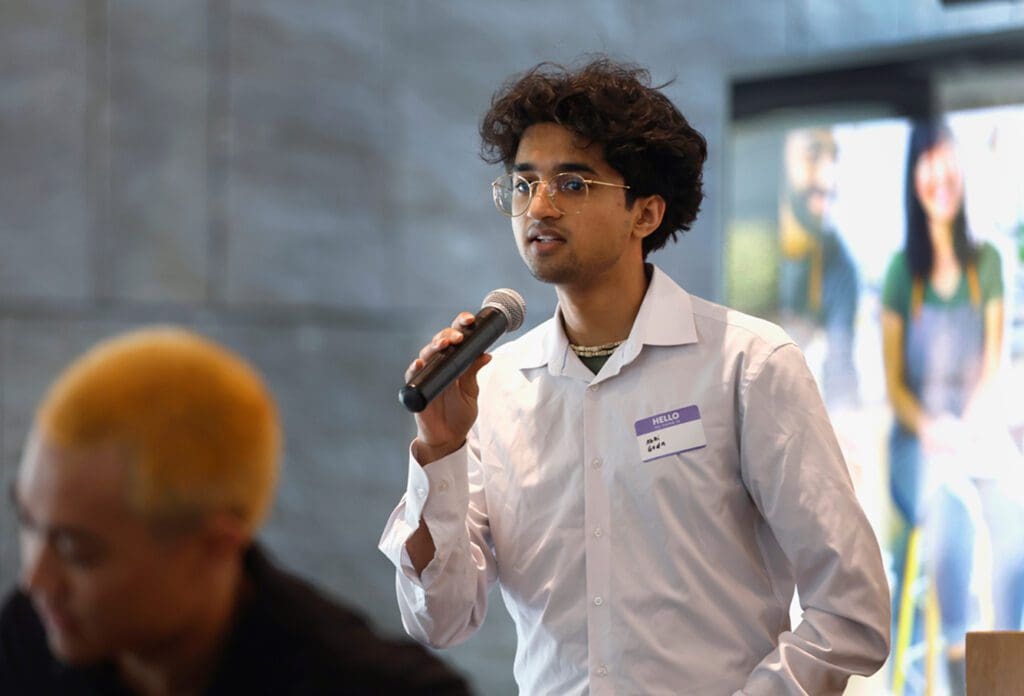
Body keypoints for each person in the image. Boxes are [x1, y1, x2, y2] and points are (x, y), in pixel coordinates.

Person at [379, 58, 890, 695]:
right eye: (523, 183)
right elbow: (441, 618)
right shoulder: (494, 387)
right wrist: (438, 449)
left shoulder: (747, 363)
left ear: (645, 214)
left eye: (572, 184)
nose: (538, 205)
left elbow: (850, 611)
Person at [1, 327, 469, 696]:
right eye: (28, 524)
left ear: (214, 546)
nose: (35, 581)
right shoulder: (24, 642)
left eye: (77, 550)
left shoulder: (372, 685)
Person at [882, 122, 1024, 696]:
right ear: (914, 178)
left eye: (947, 161)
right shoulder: (901, 272)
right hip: (919, 440)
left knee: (1015, 532)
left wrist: (971, 426)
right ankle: (956, 678)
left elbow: (993, 363)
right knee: (951, 532)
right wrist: (933, 428)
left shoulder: (988, 259)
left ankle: (1005, 677)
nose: (939, 176)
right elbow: (895, 385)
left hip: (977, 427)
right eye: (927, 164)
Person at [777, 127, 861, 410]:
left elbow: (841, 374)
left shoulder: (840, 263)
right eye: (813, 156)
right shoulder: (748, 249)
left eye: (833, 159)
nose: (829, 180)